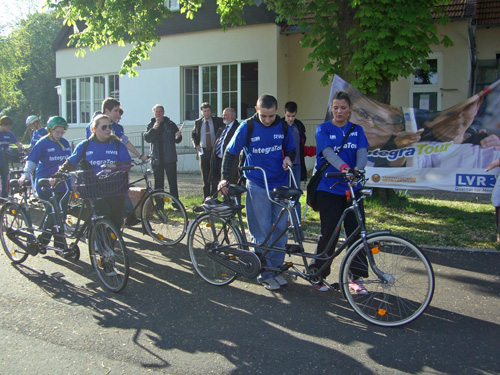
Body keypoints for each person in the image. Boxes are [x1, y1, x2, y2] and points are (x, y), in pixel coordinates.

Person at [218, 94, 296, 291]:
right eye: (263, 116)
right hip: (258, 184)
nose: (268, 120)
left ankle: (275, 269)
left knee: (280, 232)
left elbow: (291, 150)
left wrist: (288, 158)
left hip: (280, 186)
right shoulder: (247, 126)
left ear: (277, 110)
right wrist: (224, 177)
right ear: (256, 109)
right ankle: (264, 272)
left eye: (271, 116)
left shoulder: (283, 126)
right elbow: (230, 152)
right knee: (261, 232)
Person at [310, 91, 369, 293]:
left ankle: (356, 277)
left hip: (353, 189)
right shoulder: (323, 128)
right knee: (329, 234)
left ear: (349, 109)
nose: (339, 111)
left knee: (356, 233)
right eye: (335, 107)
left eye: (343, 107)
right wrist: (345, 169)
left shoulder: (357, 130)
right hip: (329, 189)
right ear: (331, 109)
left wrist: (358, 171)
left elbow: (362, 153)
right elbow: (328, 153)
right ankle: (317, 273)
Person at [57, 114, 131, 229]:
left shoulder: (118, 145)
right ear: (94, 129)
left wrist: (115, 165)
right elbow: (70, 163)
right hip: (93, 190)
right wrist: (58, 174)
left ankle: (108, 243)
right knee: (99, 219)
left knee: (116, 223)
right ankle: (96, 241)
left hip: (114, 189)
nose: (108, 130)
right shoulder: (85, 145)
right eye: (104, 127)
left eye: (110, 127)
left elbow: (127, 164)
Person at [19, 116, 72, 253]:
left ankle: (54, 243)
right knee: (53, 212)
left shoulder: (65, 143)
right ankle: (47, 242)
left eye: (62, 132)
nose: (60, 135)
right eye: (57, 132)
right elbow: (32, 160)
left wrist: (74, 181)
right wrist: (25, 175)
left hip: (62, 184)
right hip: (45, 184)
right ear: (50, 130)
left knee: (61, 214)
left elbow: (70, 163)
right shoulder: (42, 143)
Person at [144, 104, 182, 199]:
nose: (158, 113)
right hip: (157, 159)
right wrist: (153, 129)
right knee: (158, 183)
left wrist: (178, 136)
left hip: (169, 158)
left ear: (163, 112)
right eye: (156, 112)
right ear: (154, 113)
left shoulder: (170, 124)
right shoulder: (150, 125)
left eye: (160, 111)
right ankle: (160, 205)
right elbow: (147, 138)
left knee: (172, 182)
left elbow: (177, 140)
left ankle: (176, 204)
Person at [192, 102, 223, 199]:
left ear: (211, 111)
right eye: (204, 111)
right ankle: (206, 199)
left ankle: (214, 198)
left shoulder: (217, 121)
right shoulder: (198, 122)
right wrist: (196, 145)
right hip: (203, 151)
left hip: (214, 151)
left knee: (214, 177)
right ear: (201, 112)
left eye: (208, 111)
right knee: (205, 178)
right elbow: (193, 135)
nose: (206, 113)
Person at [282, 101, 307, 218]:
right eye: (288, 116)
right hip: (283, 166)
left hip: (296, 164)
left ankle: (296, 220)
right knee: (283, 193)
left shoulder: (299, 126)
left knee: (296, 192)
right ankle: (283, 220)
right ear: (284, 113)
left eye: (293, 116)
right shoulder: (280, 126)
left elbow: (302, 146)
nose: (290, 119)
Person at [209, 107, 240, 185]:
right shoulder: (222, 129)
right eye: (223, 115)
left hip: (231, 162)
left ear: (232, 116)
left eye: (225, 115)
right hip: (219, 160)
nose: (223, 117)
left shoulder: (238, 128)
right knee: (220, 184)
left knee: (230, 185)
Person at [0, 116, 25, 198]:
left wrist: (23, 148)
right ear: (2, 125)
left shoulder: (9, 133)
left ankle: (4, 195)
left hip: (4, 158)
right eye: (8, 126)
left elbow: (16, 142)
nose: (10, 128)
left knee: (5, 176)